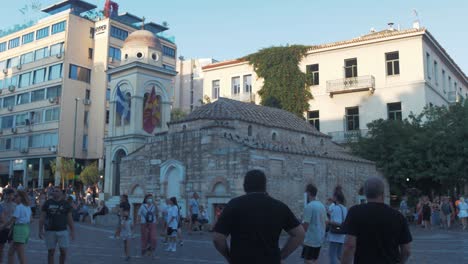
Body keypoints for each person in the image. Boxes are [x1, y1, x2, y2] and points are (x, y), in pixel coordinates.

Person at [212, 170, 305, 264]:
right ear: (265, 186)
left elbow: (218, 238)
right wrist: (281, 256)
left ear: (245, 186)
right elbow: (299, 234)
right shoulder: (279, 207)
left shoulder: (234, 205)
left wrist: (229, 257)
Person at [341, 177, 412, 264]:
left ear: (365, 193)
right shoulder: (398, 216)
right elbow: (407, 250)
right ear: (382, 193)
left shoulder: (355, 212)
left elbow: (349, 245)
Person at [39, 186, 75, 264]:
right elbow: (42, 218)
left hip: (63, 231)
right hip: (50, 231)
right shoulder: (47, 203)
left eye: (57, 191)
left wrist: (72, 231)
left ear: (61, 193)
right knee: (51, 252)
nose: (55, 192)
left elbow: (70, 219)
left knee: (63, 252)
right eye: (54, 191)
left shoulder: (66, 204)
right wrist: (40, 230)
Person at [302, 184, 327, 264]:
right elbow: (326, 221)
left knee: (307, 260)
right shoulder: (322, 206)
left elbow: (306, 224)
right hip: (319, 238)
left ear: (308, 193)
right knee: (314, 260)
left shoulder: (309, 206)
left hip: (310, 239)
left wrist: (301, 237)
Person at [5, 191, 31, 264]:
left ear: (21, 197)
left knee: (21, 254)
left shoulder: (19, 207)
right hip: (24, 228)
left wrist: (2, 227)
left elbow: (12, 220)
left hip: (19, 230)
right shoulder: (27, 206)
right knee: (10, 252)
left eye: (16, 196)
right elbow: (30, 219)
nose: (14, 197)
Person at [327, 189, 347, 264]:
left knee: (332, 255)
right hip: (342, 235)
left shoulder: (336, 208)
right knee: (339, 255)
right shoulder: (344, 208)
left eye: (333, 196)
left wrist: (329, 221)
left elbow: (337, 222)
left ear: (336, 197)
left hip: (335, 235)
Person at [0, 189, 16, 262]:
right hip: (2, 229)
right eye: (7, 194)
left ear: (13, 196)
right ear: (4, 195)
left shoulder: (15, 205)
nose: (9, 196)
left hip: (12, 229)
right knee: (1, 248)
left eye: (11, 195)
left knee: (12, 250)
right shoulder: (1, 204)